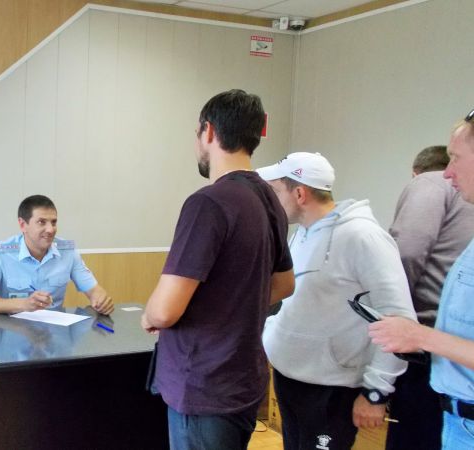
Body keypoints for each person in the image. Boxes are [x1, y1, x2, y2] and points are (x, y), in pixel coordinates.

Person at [141, 89, 295, 450]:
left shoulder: (208, 203)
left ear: (208, 131)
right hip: (243, 381)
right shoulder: (268, 199)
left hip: (203, 387)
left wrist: (149, 315)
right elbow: (284, 284)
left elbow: (164, 311)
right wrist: (232, 308)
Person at [257, 152, 417, 450]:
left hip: (331, 390)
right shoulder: (301, 234)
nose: (271, 201)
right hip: (291, 378)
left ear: (300, 193)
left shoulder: (363, 237)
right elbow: (299, 301)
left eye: (276, 191)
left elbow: (399, 320)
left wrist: (376, 392)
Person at [370, 109, 474, 449]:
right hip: (454, 414)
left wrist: (417, 334)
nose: (447, 172)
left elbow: (407, 255)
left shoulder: (428, 185)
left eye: (456, 158)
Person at [0, 195, 114, 315]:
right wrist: (24, 304)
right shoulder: (1, 252)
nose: (50, 230)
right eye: (41, 222)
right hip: (13, 330)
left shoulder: (68, 251)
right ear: (22, 225)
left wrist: (100, 301)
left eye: (54, 222)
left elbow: (94, 290)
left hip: (55, 332)